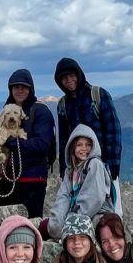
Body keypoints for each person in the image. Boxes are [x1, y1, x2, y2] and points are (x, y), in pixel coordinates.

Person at [53, 58, 121, 212]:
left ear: (78, 74)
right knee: (82, 206)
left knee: (109, 209)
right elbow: (64, 138)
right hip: (78, 169)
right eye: (64, 78)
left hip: (103, 165)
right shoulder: (63, 105)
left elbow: (113, 130)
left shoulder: (98, 95)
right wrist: (65, 169)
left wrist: (113, 165)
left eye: (71, 75)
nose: (68, 80)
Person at [0, 68, 55, 221]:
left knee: (30, 226)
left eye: (24, 87)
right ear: (11, 89)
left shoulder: (40, 111)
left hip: (32, 180)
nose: (20, 90)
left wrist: (10, 142)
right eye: (16, 87)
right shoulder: (7, 110)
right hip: (8, 179)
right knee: (7, 226)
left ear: (31, 88)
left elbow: (42, 144)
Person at [45, 125, 111, 240]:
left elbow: (93, 199)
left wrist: (72, 221)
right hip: (75, 215)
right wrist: (57, 221)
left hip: (95, 215)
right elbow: (63, 197)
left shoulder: (95, 164)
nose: (84, 148)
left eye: (88, 145)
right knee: (49, 227)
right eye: (79, 145)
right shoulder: (70, 171)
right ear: (72, 147)